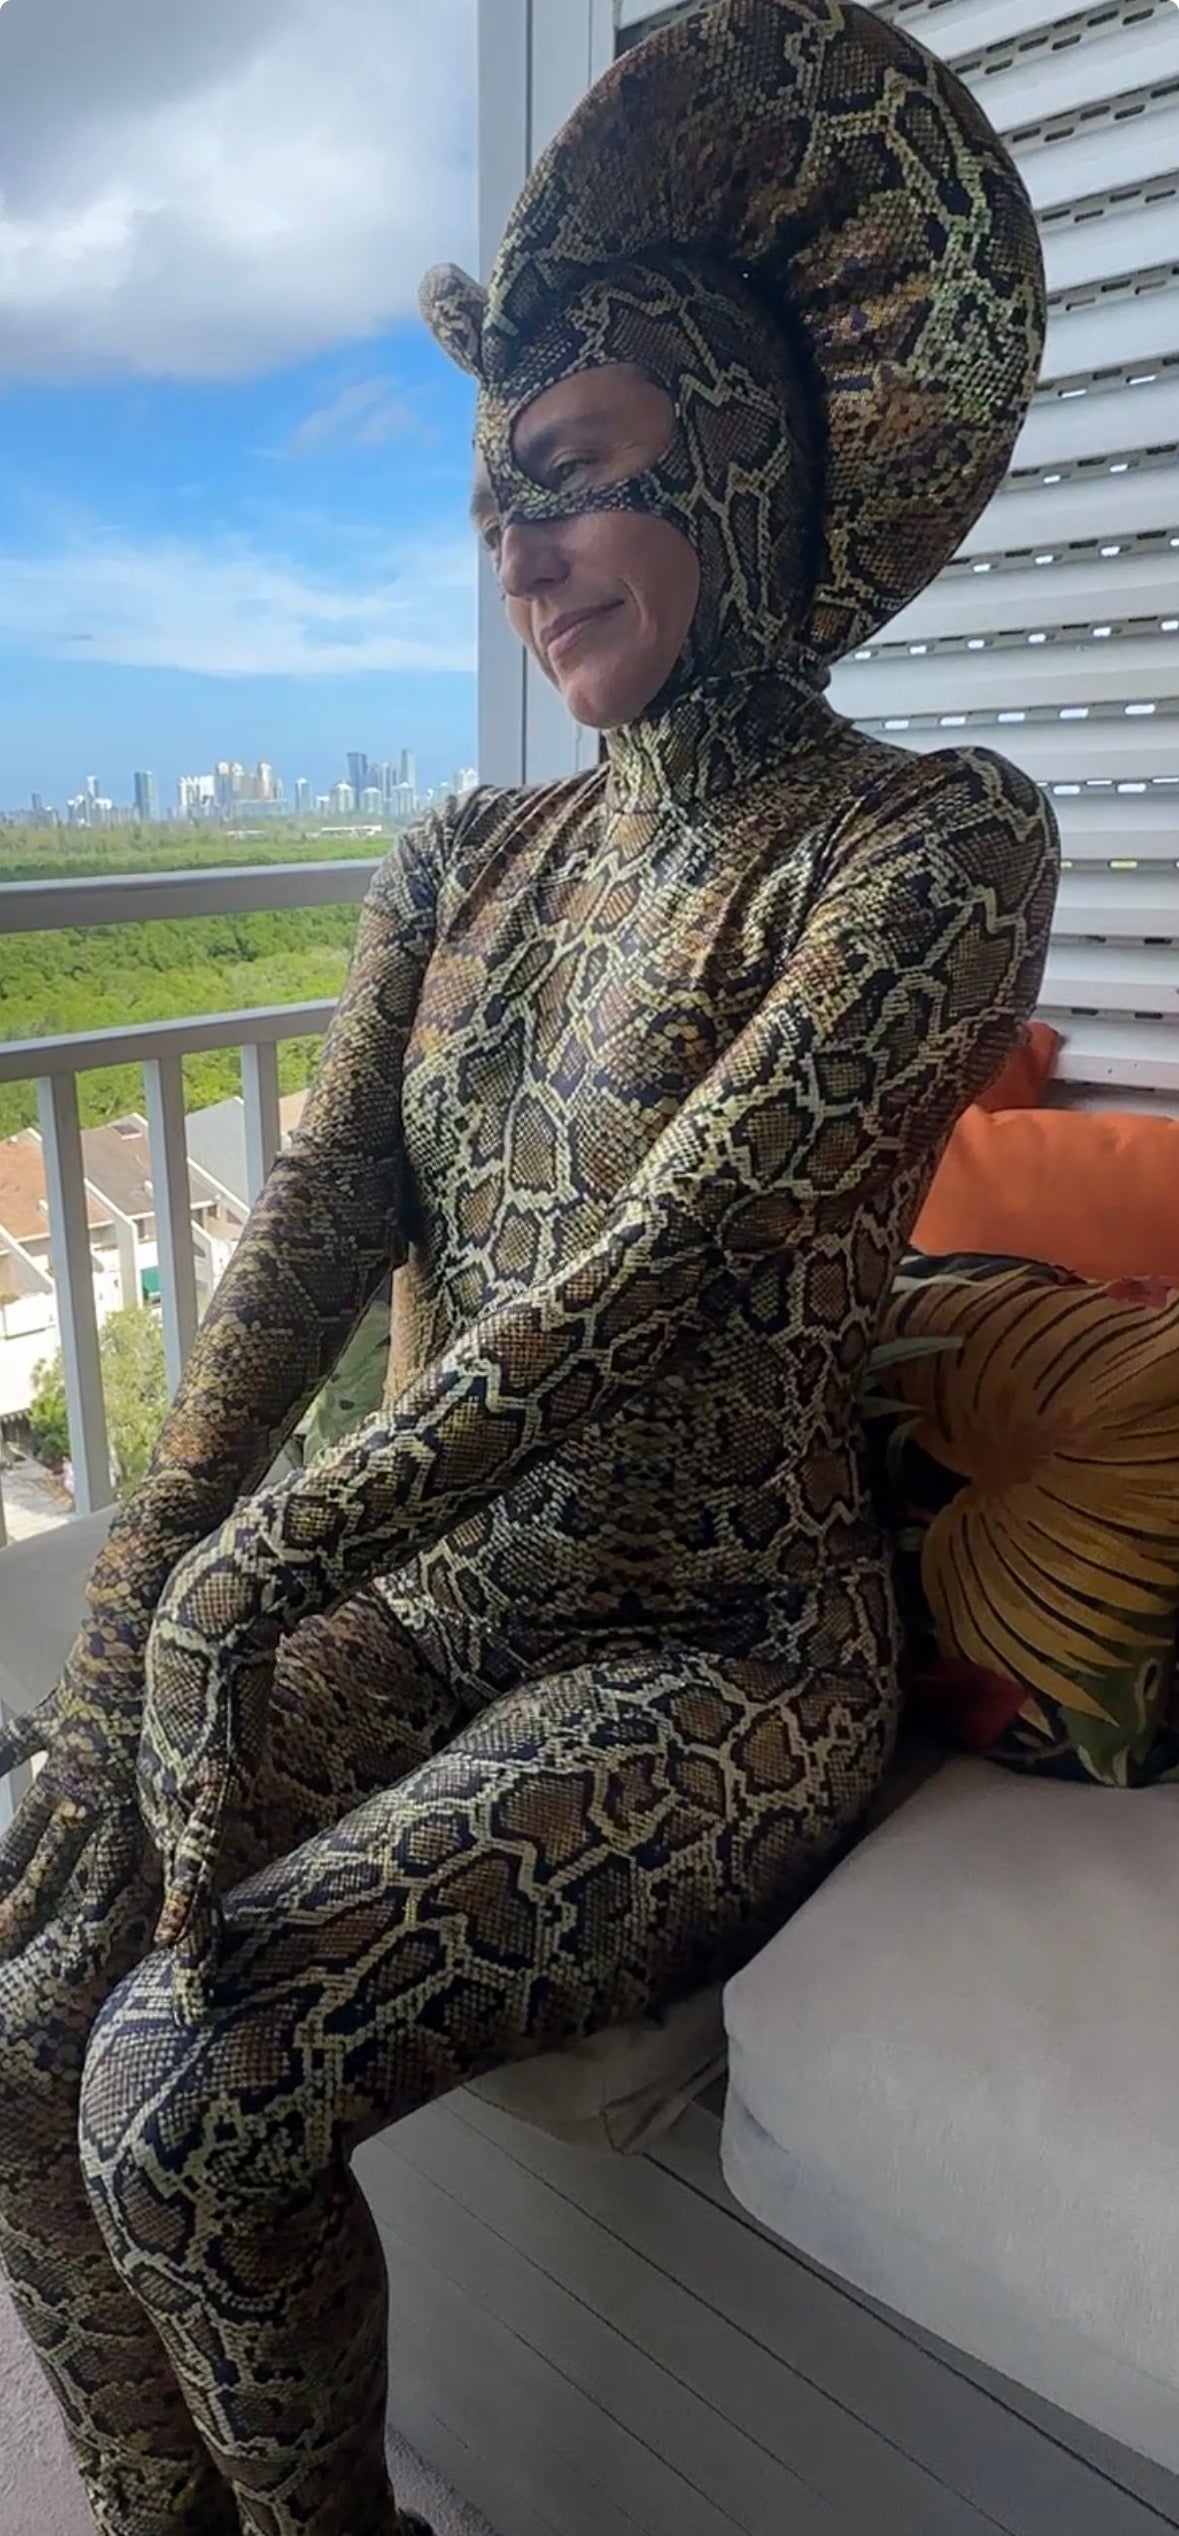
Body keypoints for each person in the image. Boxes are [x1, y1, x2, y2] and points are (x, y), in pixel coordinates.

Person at [0, 3, 1059, 2531]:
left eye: (569, 478)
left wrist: (250, 1569)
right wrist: (143, 1603)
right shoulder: (461, 861)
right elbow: (296, 1267)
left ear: (738, 457)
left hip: (715, 1660)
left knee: (178, 2086)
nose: (513, 552)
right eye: (491, 501)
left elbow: (665, 1269)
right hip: (438, 1611)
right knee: (21, 2011)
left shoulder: (928, 840)